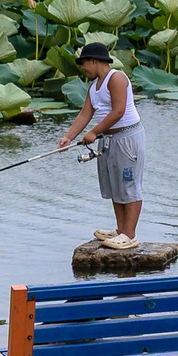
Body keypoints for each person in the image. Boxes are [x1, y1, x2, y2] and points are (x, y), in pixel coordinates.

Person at [58, 43, 146, 249]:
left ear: (95, 61)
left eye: (84, 64)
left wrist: (94, 132)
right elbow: (84, 114)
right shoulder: (93, 87)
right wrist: (68, 137)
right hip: (109, 140)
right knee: (115, 184)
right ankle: (121, 229)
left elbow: (118, 112)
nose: (83, 68)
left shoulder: (116, 78)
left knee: (128, 184)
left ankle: (130, 235)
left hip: (127, 138)